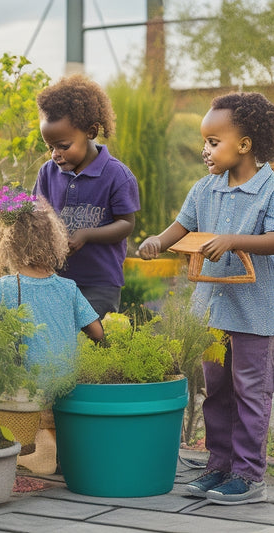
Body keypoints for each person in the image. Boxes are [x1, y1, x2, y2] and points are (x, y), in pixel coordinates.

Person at [138, 92, 274, 505]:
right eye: (205, 142)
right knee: (215, 390)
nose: (205, 150)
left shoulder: (269, 189)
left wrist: (235, 241)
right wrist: (158, 241)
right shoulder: (204, 189)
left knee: (251, 390)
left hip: (255, 313)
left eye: (214, 142)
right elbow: (183, 225)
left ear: (245, 145)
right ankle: (219, 464)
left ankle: (249, 475)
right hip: (212, 310)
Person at [0, 184, 103, 474]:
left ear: (7, 244)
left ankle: (39, 456)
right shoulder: (68, 288)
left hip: (27, 384)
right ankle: (54, 451)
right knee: (55, 419)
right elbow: (97, 331)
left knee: (22, 411)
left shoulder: (5, 286)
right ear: (55, 242)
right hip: (67, 380)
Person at [33, 74, 140, 318]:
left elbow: (126, 224)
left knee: (93, 344)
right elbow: (38, 216)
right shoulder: (48, 173)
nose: (55, 155)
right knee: (60, 343)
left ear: (91, 132)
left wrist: (86, 235)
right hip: (55, 278)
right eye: (50, 147)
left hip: (100, 282)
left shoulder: (117, 175)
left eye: (63, 146)